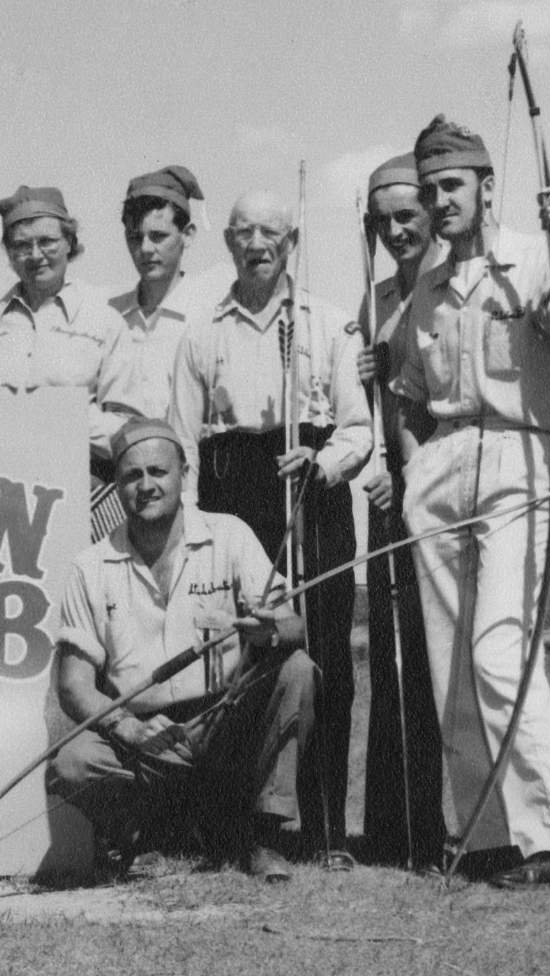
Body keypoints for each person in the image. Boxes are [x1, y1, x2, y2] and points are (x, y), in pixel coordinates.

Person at [166, 190, 371, 863]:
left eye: (271, 231)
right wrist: (191, 529)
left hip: (310, 486)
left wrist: (324, 462)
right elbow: (182, 441)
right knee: (241, 654)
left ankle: (324, 831)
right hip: (232, 491)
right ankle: (243, 827)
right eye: (244, 231)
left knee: (323, 653)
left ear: (293, 241)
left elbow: (358, 429)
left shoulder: (330, 323)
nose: (257, 243)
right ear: (226, 241)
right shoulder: (201, 331)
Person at [390, 115, 550, 887]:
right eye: (430, 190)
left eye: (452, 185)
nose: (440, 200)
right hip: (442, 465)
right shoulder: (425, 291)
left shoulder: (533, 262)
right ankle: (486, 835)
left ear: (488, 187)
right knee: (452, 663)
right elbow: (405, 392)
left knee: (501, 649)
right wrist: (411, 471)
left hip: (516, 456)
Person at [46, 419, 314, 882]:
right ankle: (145, 834)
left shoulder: (229, 534)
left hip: (226, 723)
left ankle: (263, 837)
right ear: (116, 486)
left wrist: (272, 630)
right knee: (72, 764)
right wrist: (127, 726)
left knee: (299, 670)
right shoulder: (90, 567)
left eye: (158, 472)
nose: (146, 486)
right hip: (142, 735)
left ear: (184, 474)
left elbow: (294, 628)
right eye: (132, 476)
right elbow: (73, 685)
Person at [355, 152, 442, 867]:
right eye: (383, 221)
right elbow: (372, 408)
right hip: (390, 495)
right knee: (392, 659)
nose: (396, 230)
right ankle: (392, 828)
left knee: (446, 658)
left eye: (407, 216)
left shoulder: (454, 290)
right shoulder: (375, 298)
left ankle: (462, 825)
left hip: (448, 490)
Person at [0, 186, 126, 474]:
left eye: (47, 241)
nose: (36, 255)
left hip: (82, 484)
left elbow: (129, 431)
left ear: (69, 243)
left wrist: (60, 415)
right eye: (22, 245)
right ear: (9, 253)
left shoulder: (106, 324)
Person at [99, 166, 215, 443]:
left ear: (187, 235)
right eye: (135, 237)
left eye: (159, 236)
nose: (146, 249)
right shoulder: (108, 316)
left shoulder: (210, 316)